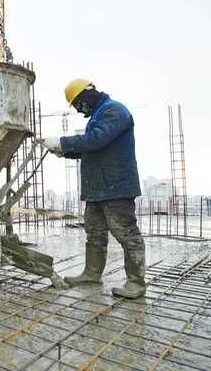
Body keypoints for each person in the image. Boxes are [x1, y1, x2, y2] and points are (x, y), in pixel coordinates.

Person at [41, 79, 145, 299]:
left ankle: (136, 283)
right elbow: (92, 148)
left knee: (126, 234)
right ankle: (91, 274)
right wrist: (63, 151)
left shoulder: (114, 110)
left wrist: (62, 142)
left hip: (116, 186)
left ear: (88, 94)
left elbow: (97, 140)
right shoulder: (99, 114)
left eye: (78, 103)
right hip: (97, 187)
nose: (79, 109)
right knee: (95, 234)